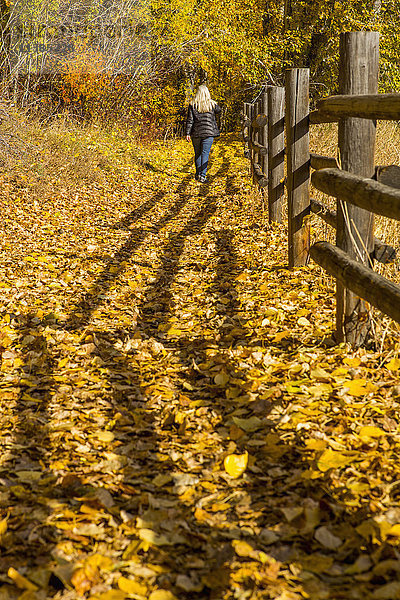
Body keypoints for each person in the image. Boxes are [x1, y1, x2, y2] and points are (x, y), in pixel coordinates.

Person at [185, 84, 221, 183]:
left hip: (196, 133)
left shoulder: (192, 104)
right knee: (205, 153)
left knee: (197, 153)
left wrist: (187, 133)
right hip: (209, 133)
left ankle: (198, 174)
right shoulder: (212, 104)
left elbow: (190, 120)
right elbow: (219, 110)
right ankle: (202, 175)